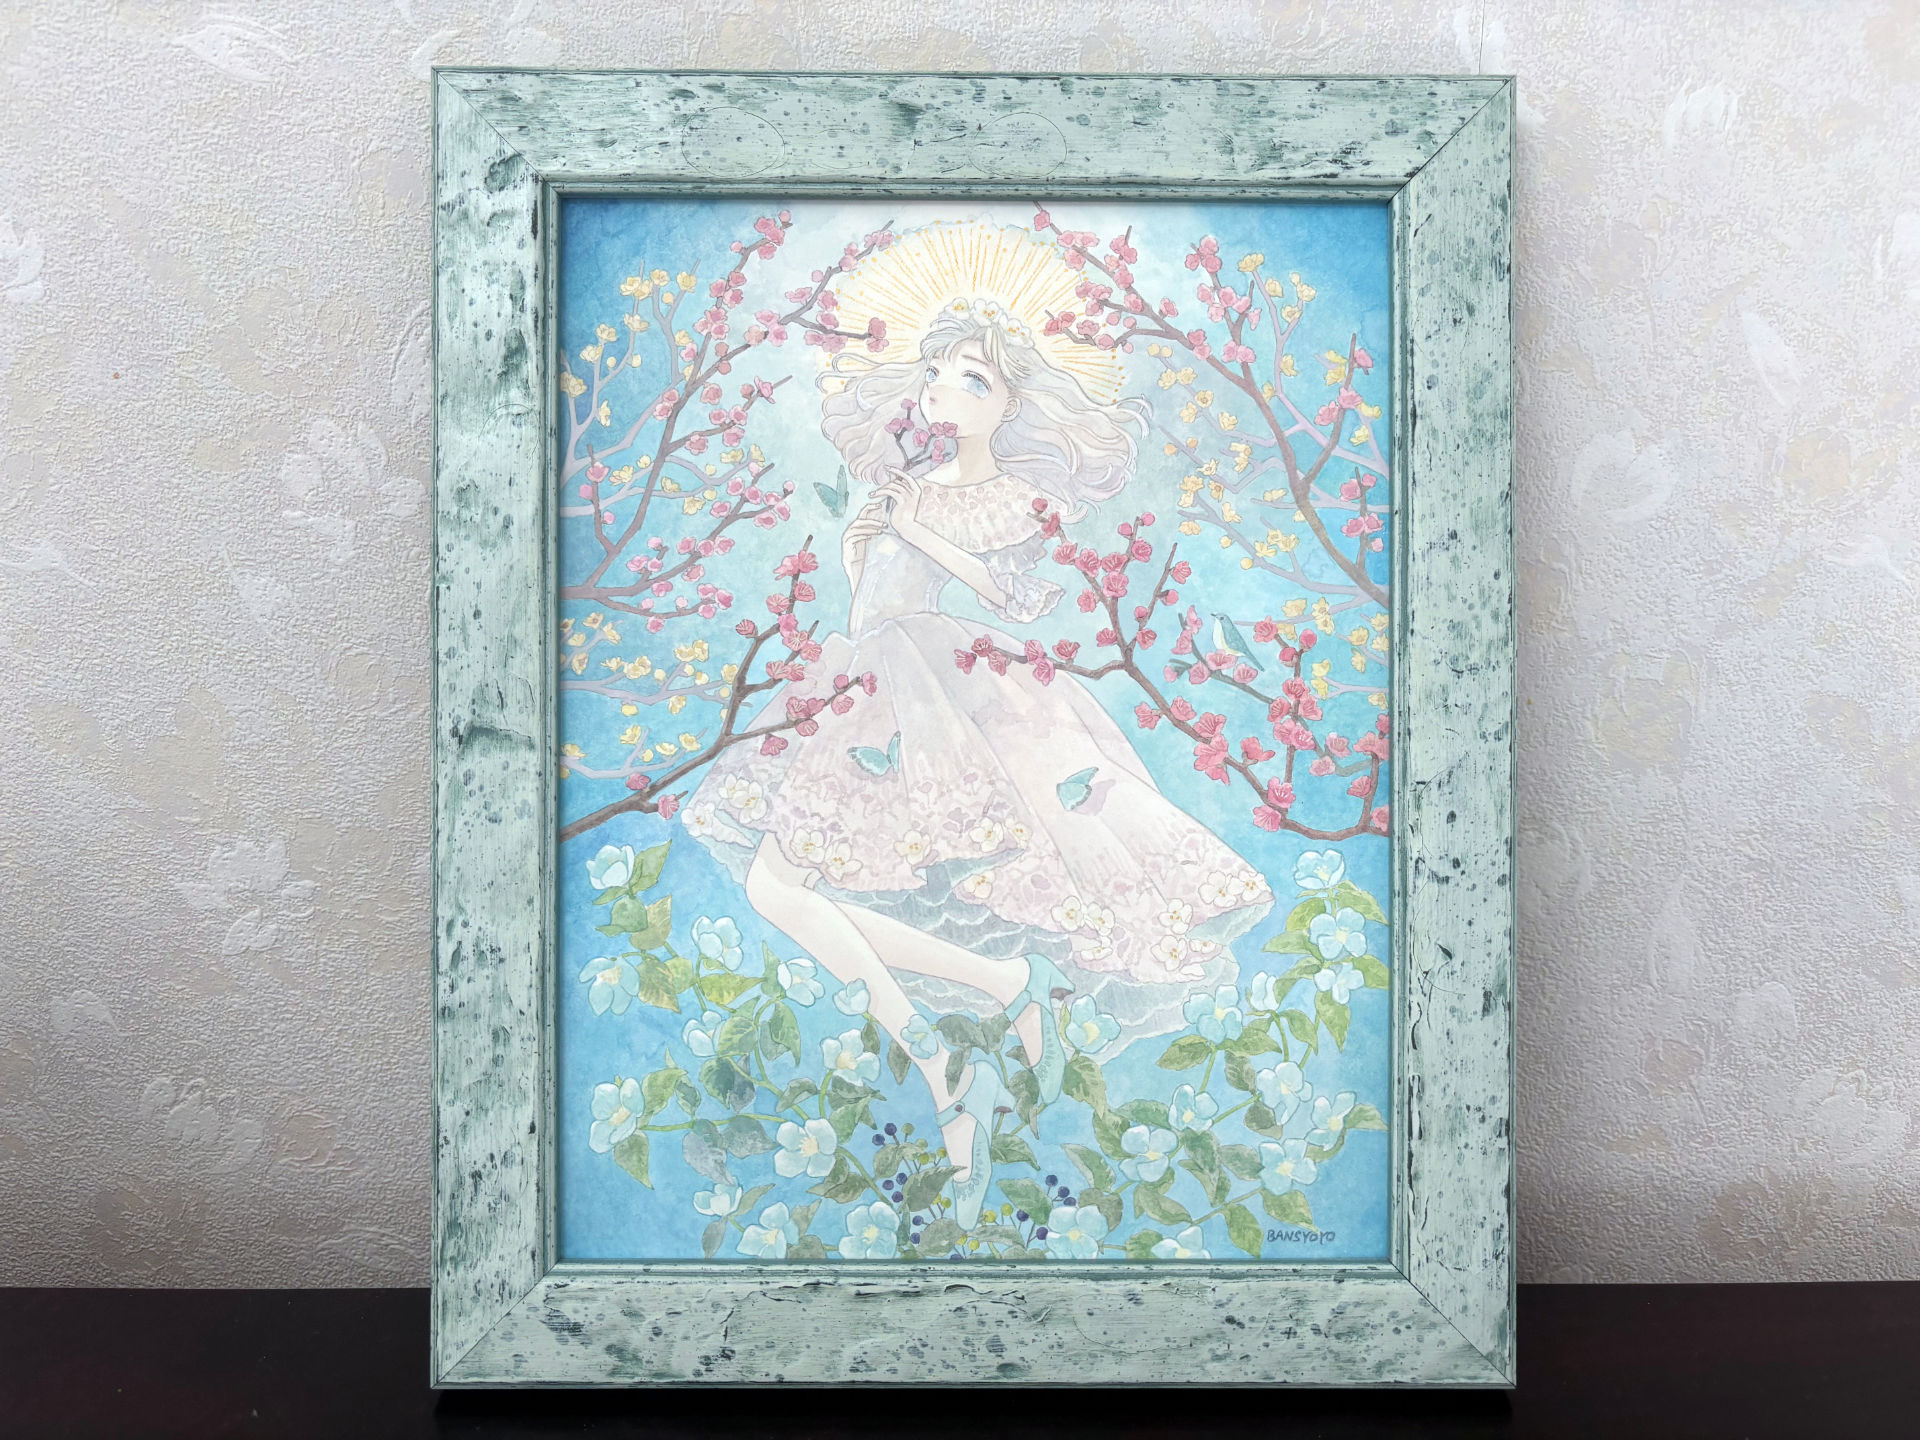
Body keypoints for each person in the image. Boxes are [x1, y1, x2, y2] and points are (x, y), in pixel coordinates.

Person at [680, 294, 1272, 1228]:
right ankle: (980, 1012)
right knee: (777, 887)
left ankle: (953, 1051)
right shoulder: (901, 483)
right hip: (860, 684)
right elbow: (868, 596)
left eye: (972, 378)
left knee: (782, 884)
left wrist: (912, 528)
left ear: (1009, 404)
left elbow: (1005, 590)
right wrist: (876, 533)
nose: (941, 389)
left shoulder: (995, 497)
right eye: (935, 370)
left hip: (932, 688)